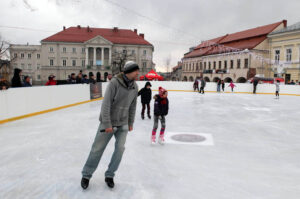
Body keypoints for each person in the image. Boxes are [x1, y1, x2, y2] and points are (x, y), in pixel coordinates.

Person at [81, 61, 139, 190]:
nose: (138, 73)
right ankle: (86, 175)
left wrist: (131, 122)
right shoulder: (114, 83)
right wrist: (107, 123)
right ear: (129, 71)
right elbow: (106, 104)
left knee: (120, 149)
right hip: (109, 122)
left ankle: (110, 175)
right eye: (136, 71)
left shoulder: (135, 87)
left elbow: (133, 106)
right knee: (97, 149)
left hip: (123, 123)